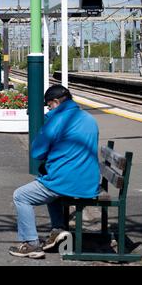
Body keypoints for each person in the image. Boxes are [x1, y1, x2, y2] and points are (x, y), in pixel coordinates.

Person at [9, 85, 100, 259]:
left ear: (56, 102)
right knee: (47, 182)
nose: (49, 109)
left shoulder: (58, 120)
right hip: (89, 182)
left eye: (49, 105)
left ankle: (31, 244)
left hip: (68, 182)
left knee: (21, 196)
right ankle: (58, 229)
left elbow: (37, 152)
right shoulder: (89, 118)